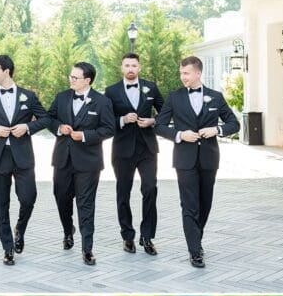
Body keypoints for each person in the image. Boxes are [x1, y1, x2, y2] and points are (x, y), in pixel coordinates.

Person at [155, 56, 241, 267]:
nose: (183, 77)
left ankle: (197, 239)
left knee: (205, 203)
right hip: (184, 160)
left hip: (209, 159)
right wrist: (180, 135)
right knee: (189, 205)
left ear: (198, 73)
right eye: (181, 73)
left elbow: (234, 123)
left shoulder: (215, 97)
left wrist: (217, 130)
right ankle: (195, 251)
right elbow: (159, 125)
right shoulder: (174, 97)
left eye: (186, 73)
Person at [0, 55, 49, 264]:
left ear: (6, 71)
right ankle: (7, 248)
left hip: (23, 156)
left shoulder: (29, 96)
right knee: (1, 204)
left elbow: (45, 119)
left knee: (28, 198)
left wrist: (27, 127)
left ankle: (20, 229)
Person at [47, 63, 115, 265]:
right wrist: (59, 127)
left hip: (88, 162)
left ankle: (87, 249)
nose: (71, 80)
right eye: (71, 76)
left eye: (75, 77)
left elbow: (109, 129)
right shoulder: (62, 97)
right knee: (61, 198)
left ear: (87, 80)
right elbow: (49, 118)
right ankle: (68, 230)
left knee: (85, 204)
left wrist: (85, 135)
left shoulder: (102, 102)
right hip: (62, 159)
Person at [103, 52, 163, 254]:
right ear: (122, 68)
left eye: (134, 65)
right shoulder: (111, 91)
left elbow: (165, 112)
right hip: (122, 149)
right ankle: (127, 236)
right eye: (127, 65)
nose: (130, 69)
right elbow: (105, 121)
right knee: (123, 193)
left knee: (150, 189)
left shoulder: (151, 87)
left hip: (147, 148)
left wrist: (153, 121)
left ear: (139, 67)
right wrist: (122, 120)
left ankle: (147, 237)